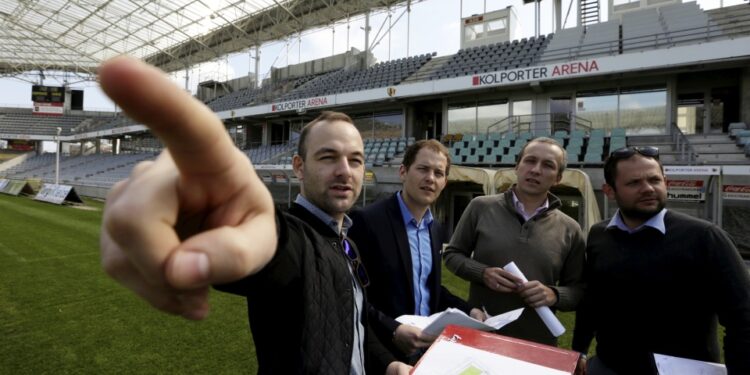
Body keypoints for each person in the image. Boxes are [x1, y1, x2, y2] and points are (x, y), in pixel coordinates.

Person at [98, 56, 410, 375]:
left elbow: (352, 322)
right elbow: (276, 249)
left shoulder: (347, 242)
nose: (345, 170)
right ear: (298, 167)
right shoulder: (297, 240)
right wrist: (213, 217)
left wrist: (389, 364)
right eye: (328, 157)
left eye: (355, 160)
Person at [572, 146, 750, 374]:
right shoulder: (599, 235)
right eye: (634, 183)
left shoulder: (705, 237)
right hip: (609, 367)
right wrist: (579, 351)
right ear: (609, 191)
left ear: (665, 182)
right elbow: (591, 302)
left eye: (655, 180)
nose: (647, 189)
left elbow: (743, 318)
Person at [348, 140, 484, 362]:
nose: (430, 178)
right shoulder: (367, 221)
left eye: (438, 173)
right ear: (403, 171)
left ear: (444, 182)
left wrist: (469, 311)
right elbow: (353, 294)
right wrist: (392, 329)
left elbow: (429, 288)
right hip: (381, 353)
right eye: (423, 169)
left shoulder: (436, 229)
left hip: (424, 349)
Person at [443, 137, 586, 346]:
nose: (536, 170)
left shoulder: (570, 229)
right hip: (480, 331)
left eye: (548, 165)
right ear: (517, 166)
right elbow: (452, 255)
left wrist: (554, 295)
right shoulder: (480, 207)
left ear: (558, 178)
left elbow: (579, 289)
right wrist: (483, 273)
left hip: (537, 342)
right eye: (530, 161)